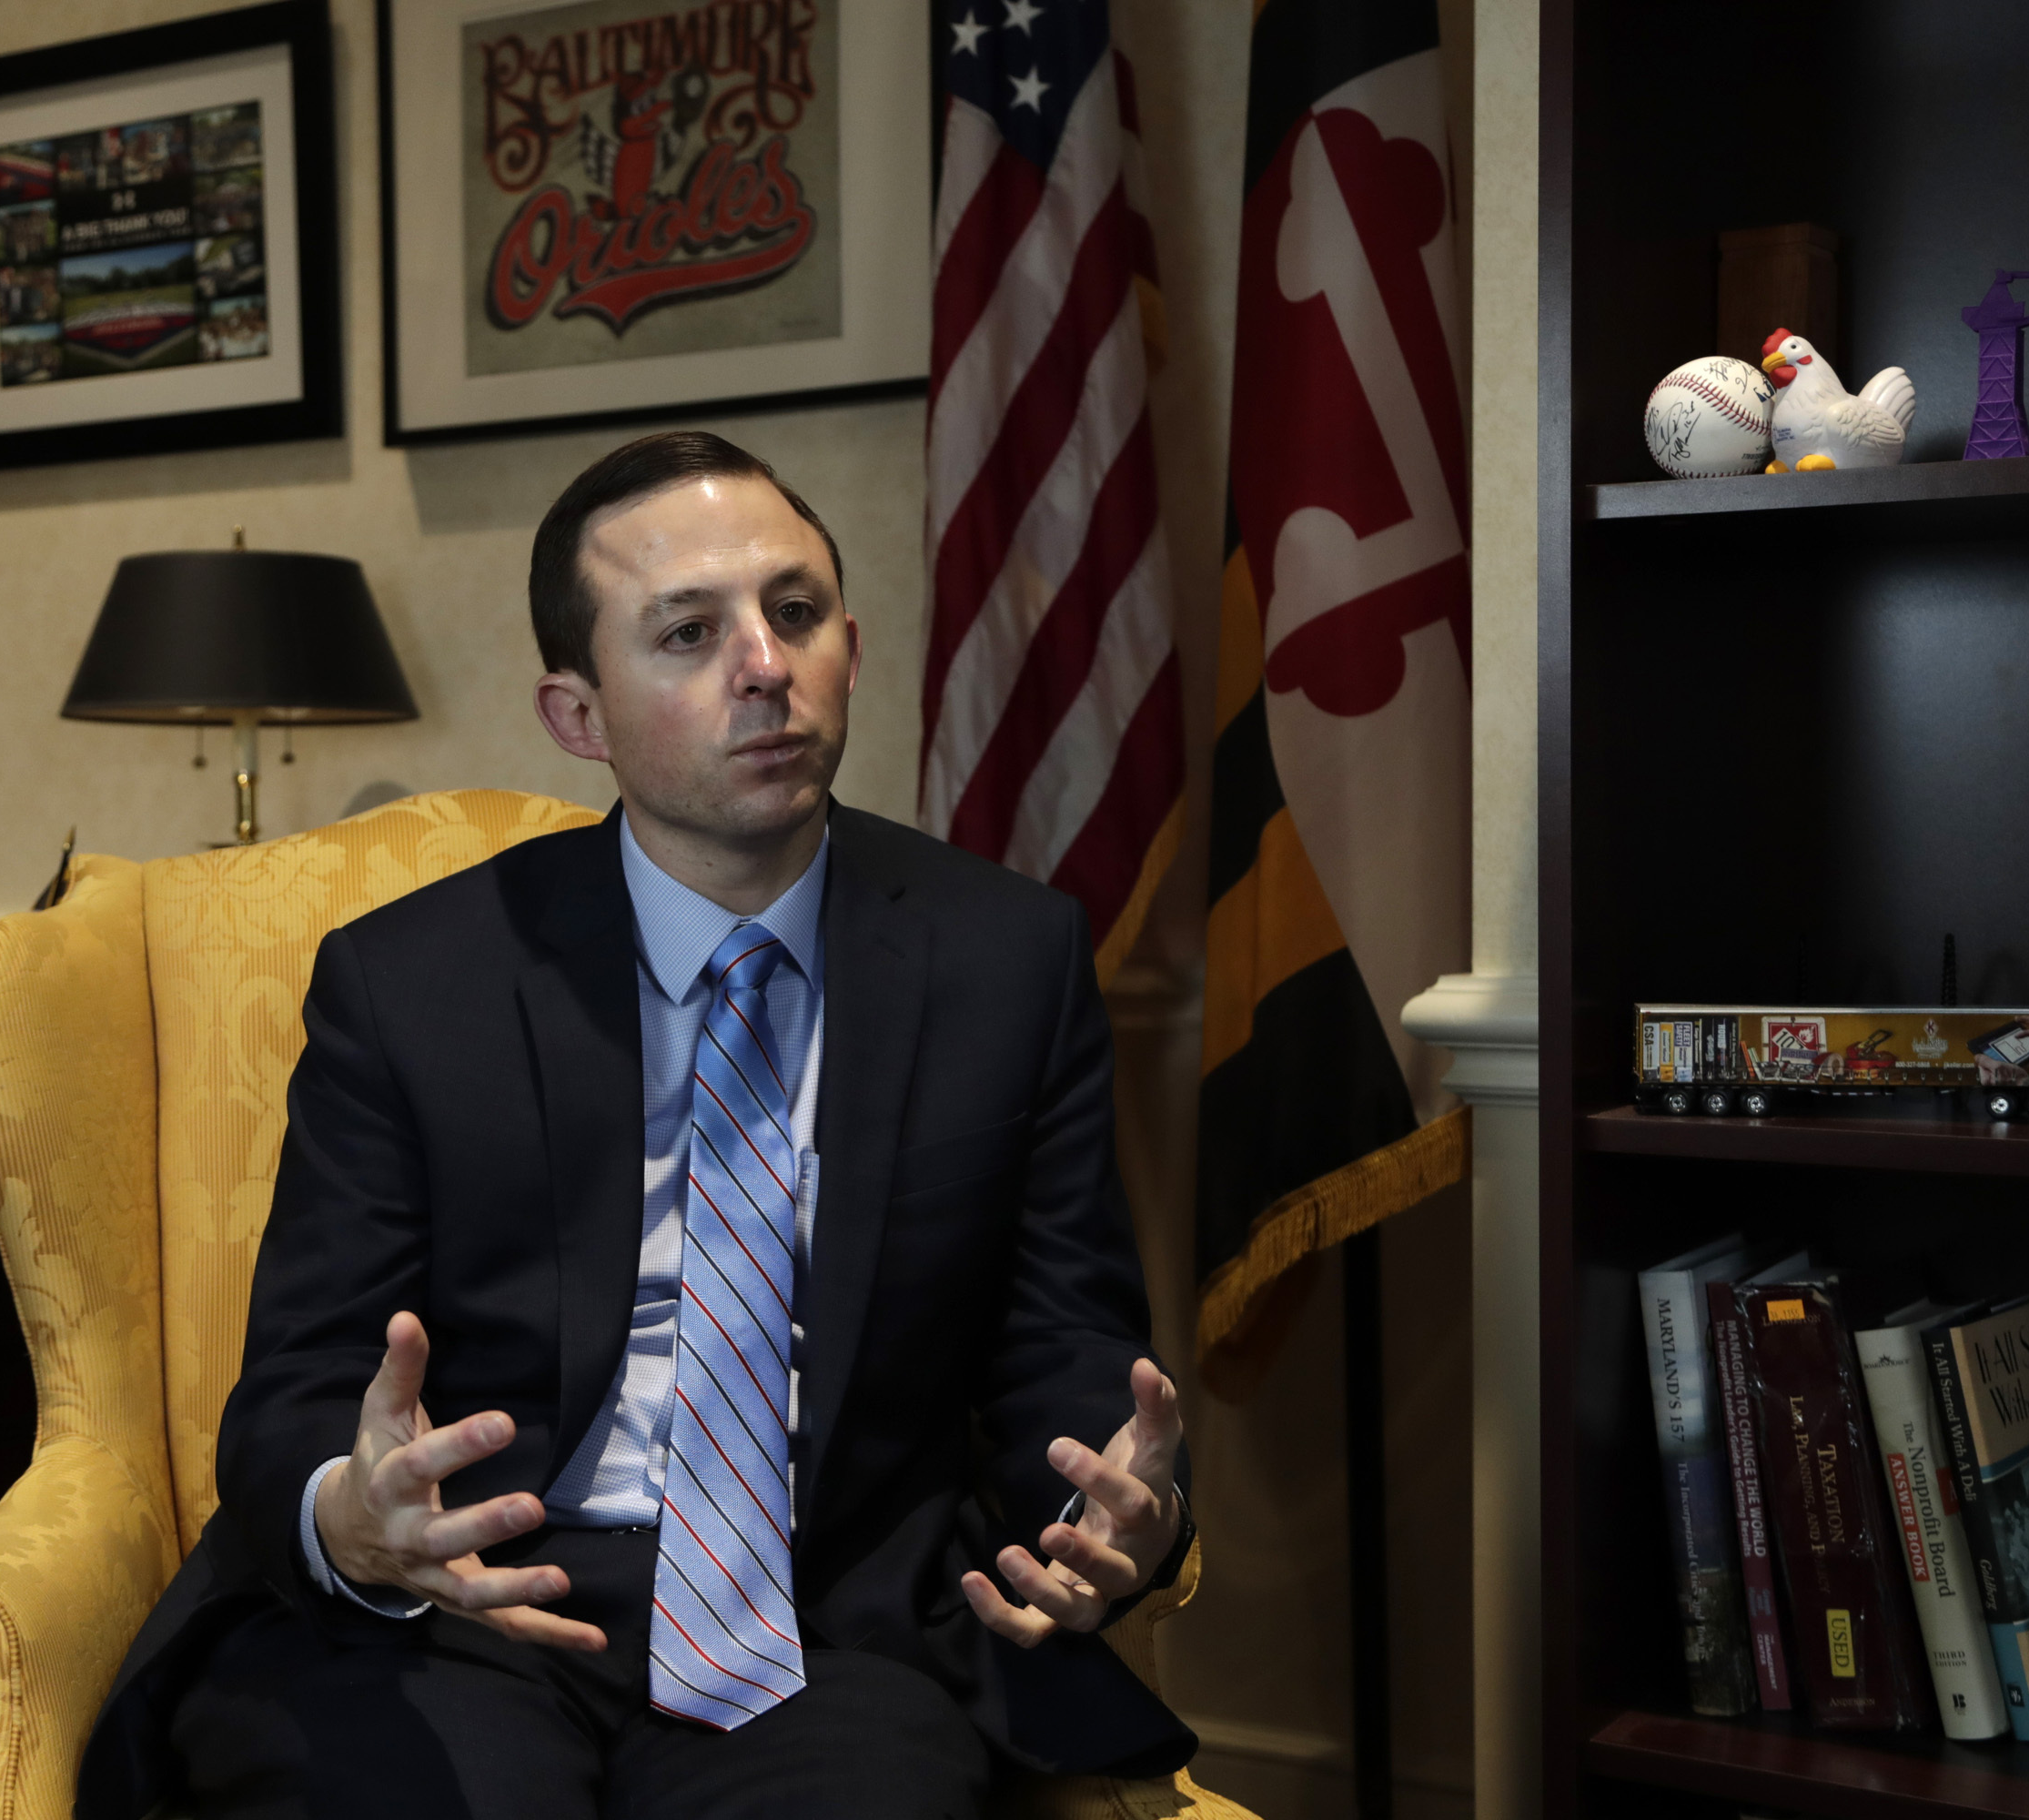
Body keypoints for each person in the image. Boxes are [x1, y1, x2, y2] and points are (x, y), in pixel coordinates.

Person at [78, 430, 1196, 1819]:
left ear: (850, 640)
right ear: (578, 715)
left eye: (794, 614)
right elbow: (306, 1378)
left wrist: (1106, 1503)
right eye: (686, 634)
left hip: (823, 1621)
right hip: (467, 1601)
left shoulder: (1005, 960)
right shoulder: (412, 983)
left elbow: (1064, 1340)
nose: (764, 666)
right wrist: (354, 1516)